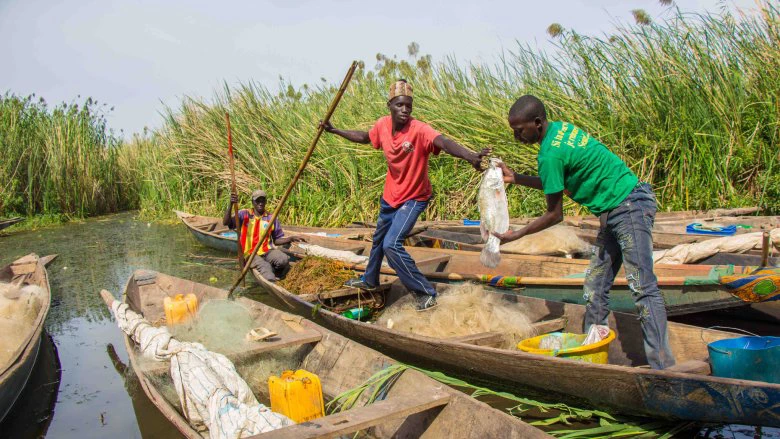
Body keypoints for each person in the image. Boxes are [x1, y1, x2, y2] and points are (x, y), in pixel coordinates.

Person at [493, 95, 675, 369]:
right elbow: (555, 181)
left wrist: (515, 235)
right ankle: (593, 356)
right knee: (596, 286)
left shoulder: (549, 153)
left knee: (642, 287)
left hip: (628, 207)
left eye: (519, 130)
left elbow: (555, 215)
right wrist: (516, 178)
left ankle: (664, 368)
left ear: (537, 123)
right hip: (615, 209)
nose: (517, 136)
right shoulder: (560, 130)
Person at [322, 79, 489, 311]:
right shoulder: (382, 125)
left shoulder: (419, 129)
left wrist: (470, 155)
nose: (405, 110)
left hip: (414, 197)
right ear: (389, 105)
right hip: (391, 196)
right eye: (400, 105)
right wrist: (335, 130)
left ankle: (425, 292)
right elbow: (364, 137)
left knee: (392, 244)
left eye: (408, 106)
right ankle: (370, 279)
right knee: (379, 240)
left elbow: (444, 142)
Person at [223, 189, 305, 282]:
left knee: (283, 259)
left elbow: (277, 240)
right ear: (253, 202)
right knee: (265, 267)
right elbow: (226, 222)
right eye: (258, 201)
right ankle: (271, 280)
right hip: (249, 254)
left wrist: (290, 238)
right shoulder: (244, 214)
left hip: (266, 251)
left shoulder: (271, 218)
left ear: (266, 201)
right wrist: (231, 204)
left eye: (263, 200)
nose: (260, 203)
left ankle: (277, 275)